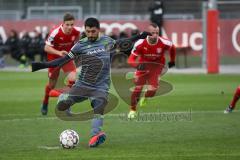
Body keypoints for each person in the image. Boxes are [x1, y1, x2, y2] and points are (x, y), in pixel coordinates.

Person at [31, 17, 150, 147]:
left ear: (98, 30)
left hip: (101, 86)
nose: (91, 34)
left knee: (99, 108)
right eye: (88, 31)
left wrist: (140, 36)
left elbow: (124, 42)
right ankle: (64, 99)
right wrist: (42, 65)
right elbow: (62, 60)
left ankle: (95, 136)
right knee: (66, 102)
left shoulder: (107, 41)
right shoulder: (80, 45)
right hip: (83, 84)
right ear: (85, 31)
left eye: (93, 31)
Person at [127, 23, 176, 119]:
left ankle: (145, 97)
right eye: (152, 33)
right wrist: (137, 65)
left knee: (152, 91)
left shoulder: (164, 42)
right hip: (143, 67)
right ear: (147, 33)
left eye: (157, 33)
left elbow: (173, 48)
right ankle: (132, 110)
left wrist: (172, 60)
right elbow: (130, 60)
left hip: (156, 68)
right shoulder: (140, 43)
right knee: (137, 89)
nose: (155, 35)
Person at [41, 13, 80, 115]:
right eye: (68, 24)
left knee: (73, 80)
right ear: (63, 24)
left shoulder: (76, 32)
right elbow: (46, 48)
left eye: (72, 24)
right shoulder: (55, 33)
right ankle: (45, 102)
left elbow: (78, 42)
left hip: (67, 59)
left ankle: (67, 105)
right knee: (51, 86)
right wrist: (59, 53)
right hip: (54, 60)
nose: (70, 27)